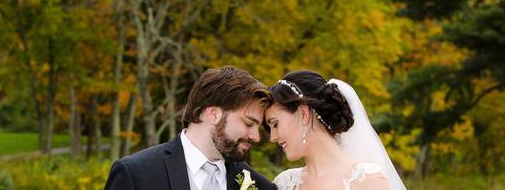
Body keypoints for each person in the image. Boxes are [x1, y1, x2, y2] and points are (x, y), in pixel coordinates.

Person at [105, 66, 277, 190]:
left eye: (258, 127)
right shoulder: (136, 174)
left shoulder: (258, 185)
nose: (256, 137)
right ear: (213, 114)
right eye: (248, 123)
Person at [266, 71, 407, 190]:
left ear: (303, 114)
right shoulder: (284, 184)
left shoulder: (367, 181)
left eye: (275, 124)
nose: (272, 137)